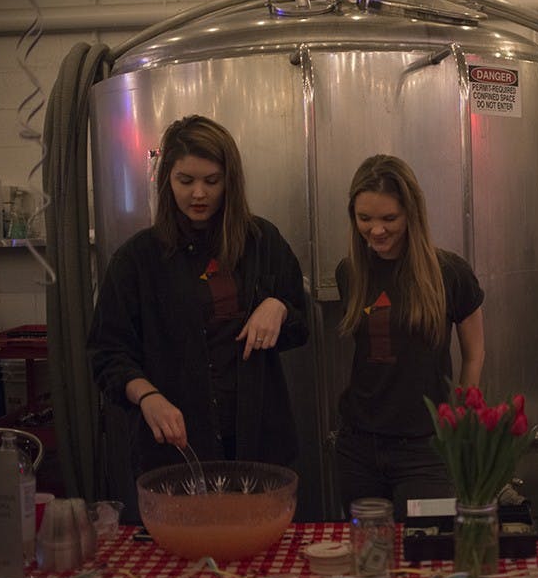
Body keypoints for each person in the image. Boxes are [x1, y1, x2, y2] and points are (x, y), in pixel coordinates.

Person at [88, 114, 309, 480]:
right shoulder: (137, 259)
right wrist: (147, 397)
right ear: (167, 180)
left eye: (212, 181)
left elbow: (301, 324)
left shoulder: (261, 242)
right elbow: (107, 353)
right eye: (185, 180)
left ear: (230, 181)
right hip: (176, 449)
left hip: (260, 443)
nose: (199, 194)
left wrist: (279, 306)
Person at [335, 154, 485, 519]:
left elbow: (474, 353)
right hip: (359, 447)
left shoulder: (450, 273)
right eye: (364, 219)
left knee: (430, 543)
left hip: (425, 451)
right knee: (368, 546)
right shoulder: (350, 272)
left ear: (411, 214)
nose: (376, 230)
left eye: (389, 218)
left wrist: (460, 421)